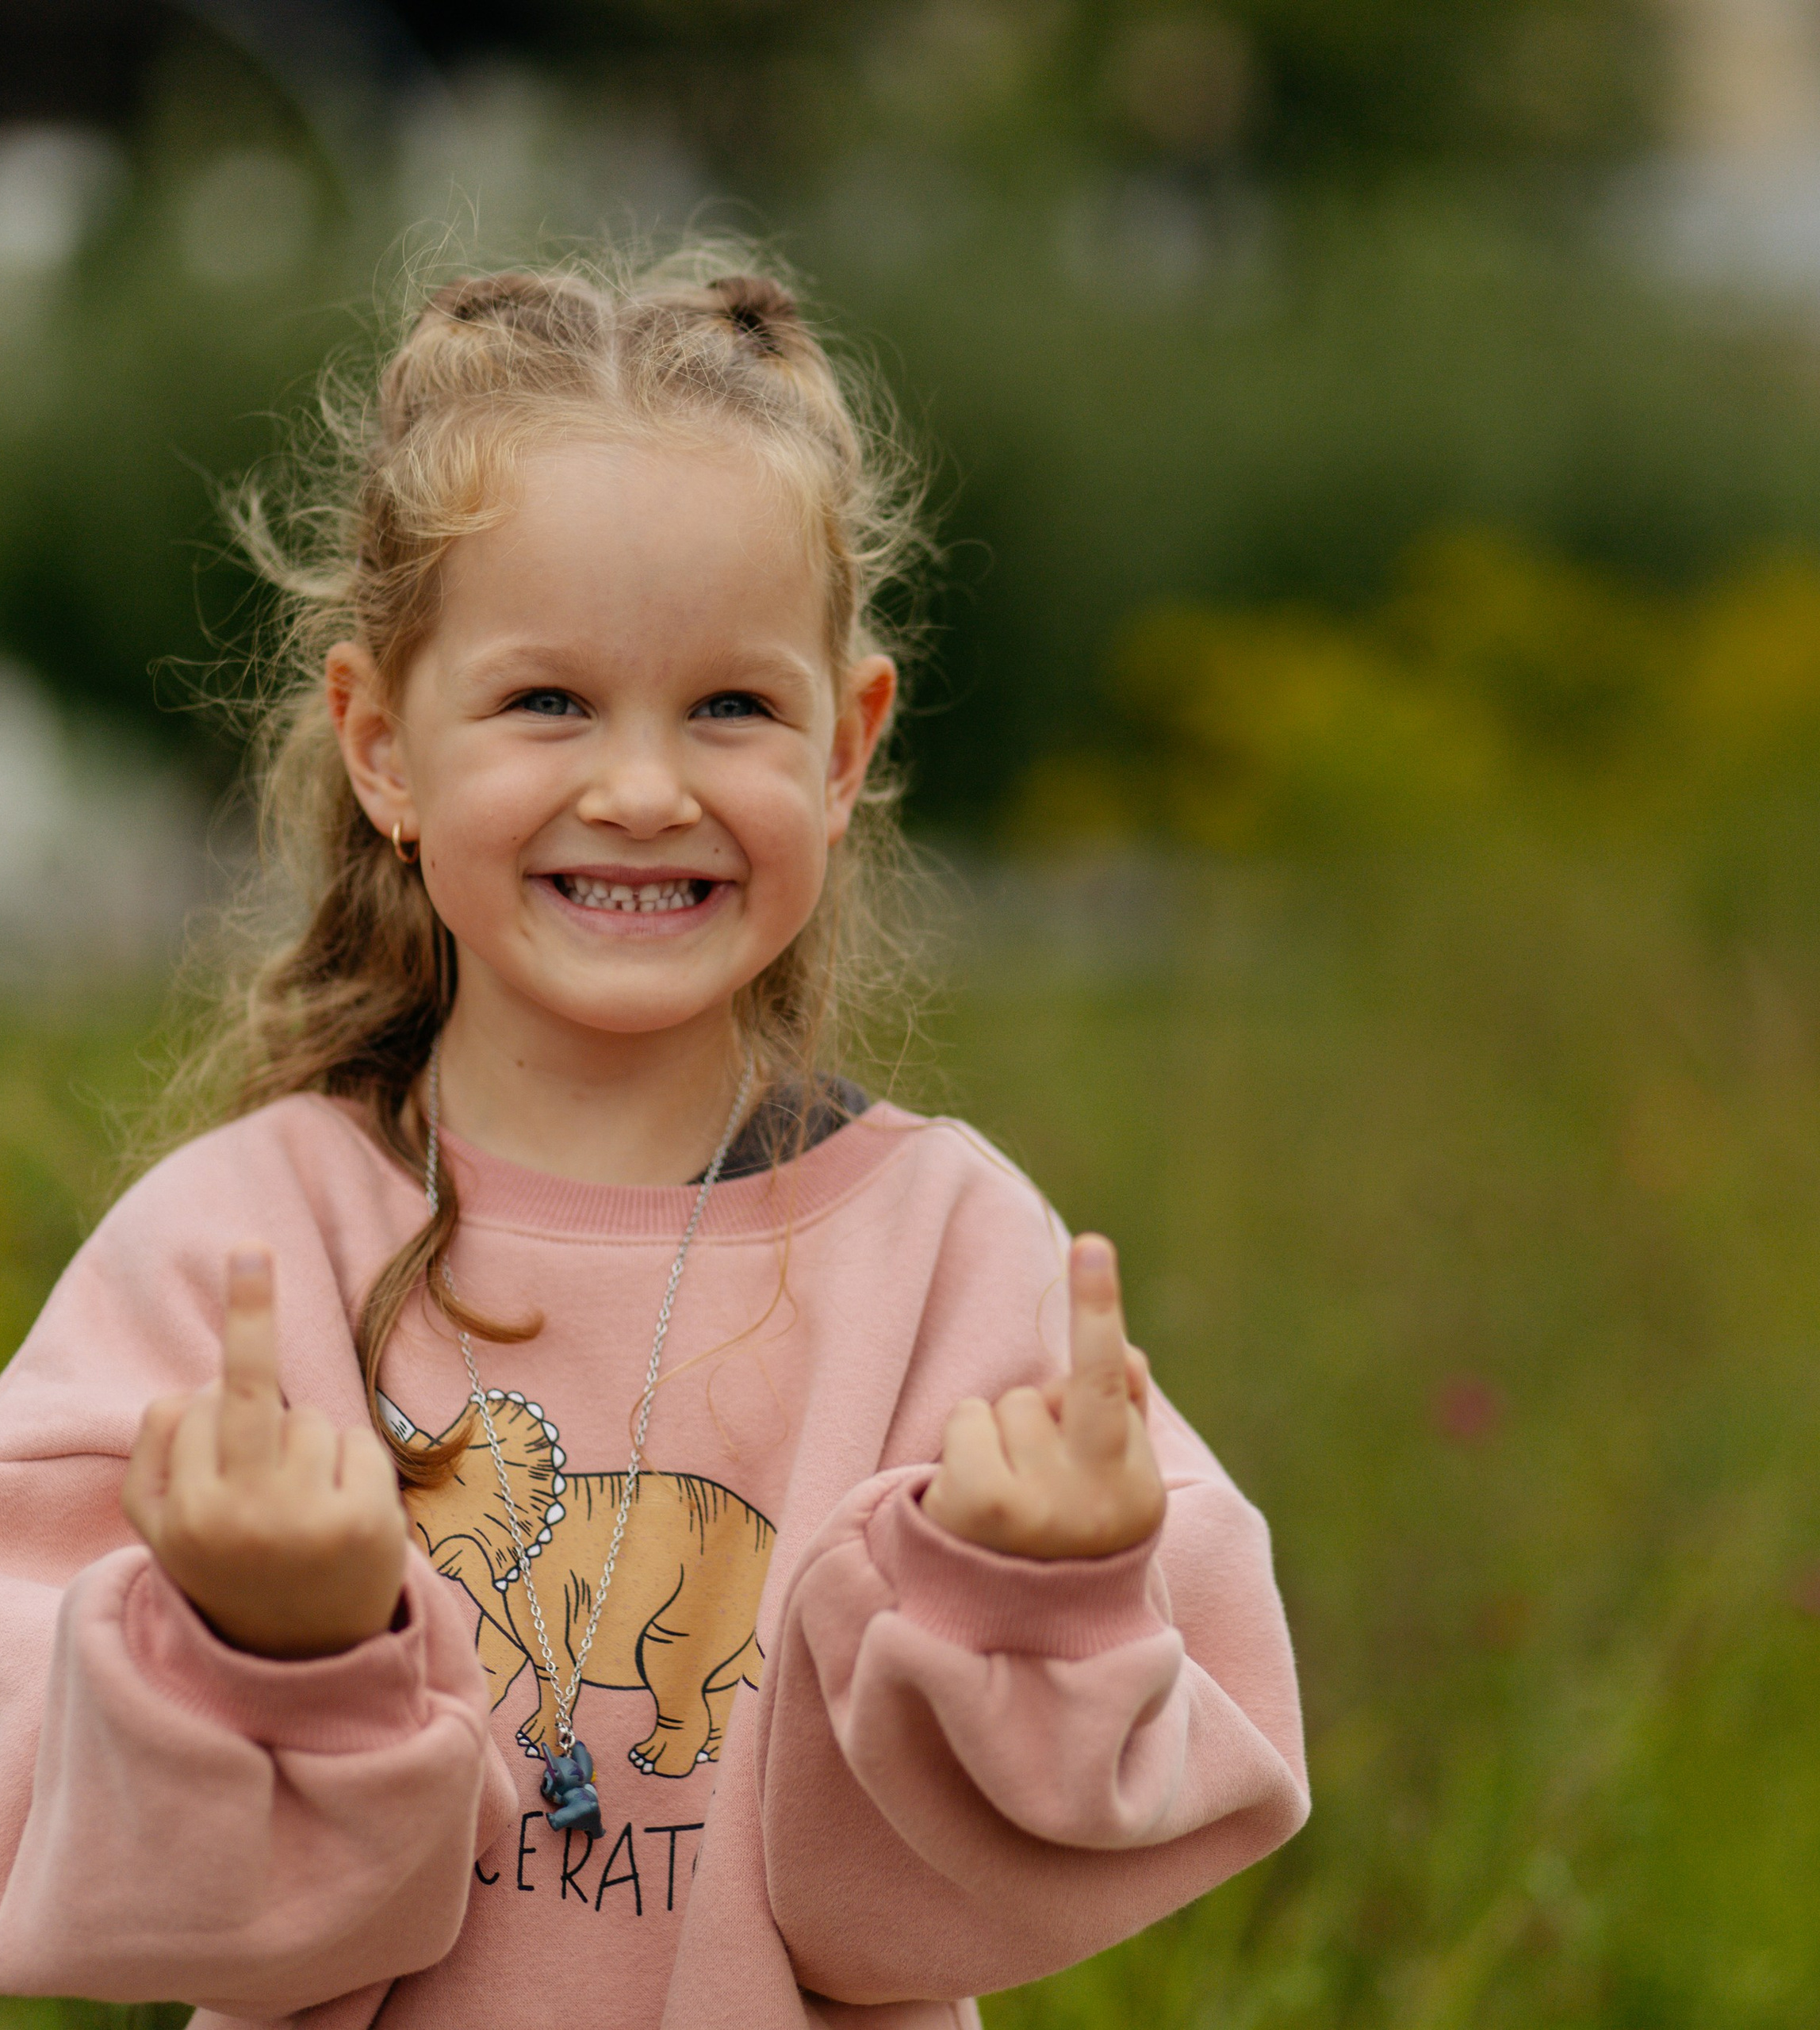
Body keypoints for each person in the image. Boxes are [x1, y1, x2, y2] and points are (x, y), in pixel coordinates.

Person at [0, 255, 1307, 2030]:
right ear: (382, 742)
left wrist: (1031, 1591)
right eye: (548, 701)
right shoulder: (236, 1253)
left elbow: (900, 1911)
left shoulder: (941, 1251)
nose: (641, 785)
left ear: (845, 750)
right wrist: (269, 1644)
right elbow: (88, 1833)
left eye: (730, 707)